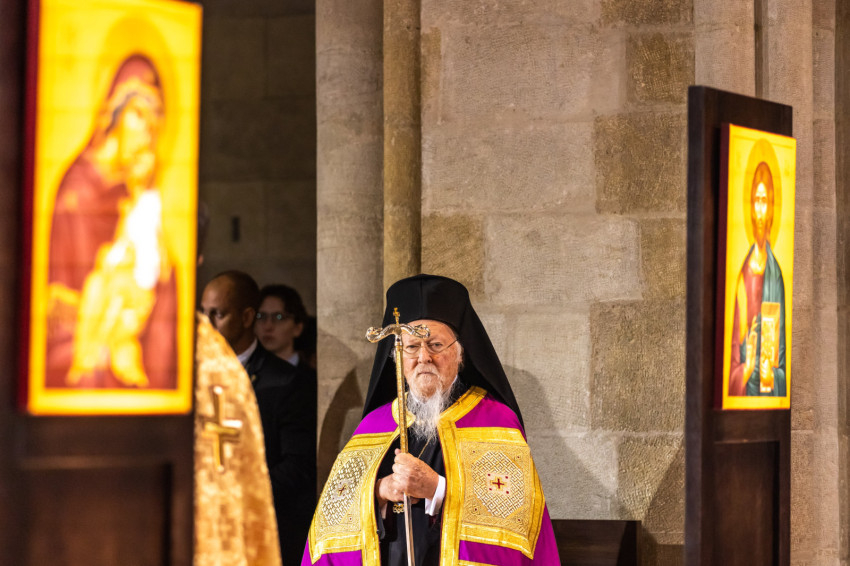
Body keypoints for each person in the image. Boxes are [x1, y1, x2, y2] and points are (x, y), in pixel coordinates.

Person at [304, 274, 560, 566]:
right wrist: (379, 491)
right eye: (411, 346)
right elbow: (331, 517)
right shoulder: (374, 424)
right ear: (397, 357)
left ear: (460, 353)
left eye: (436, 344)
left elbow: (514, 517)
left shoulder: (495, 419)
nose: (424, 357)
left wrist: (437, 488)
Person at [45, 53, 178, 389]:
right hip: (78, 340)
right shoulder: (76, 192)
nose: (147, 131)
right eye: (139, 114)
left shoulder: (134, 191)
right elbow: (62, 297)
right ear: (114, 115)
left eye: (155, 121)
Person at [201, 270, 317, 566]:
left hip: (261, 528)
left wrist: (237, 495)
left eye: (218, 314)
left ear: (246, 317)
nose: (207, 325)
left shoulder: (286, 381)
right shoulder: (191, 376)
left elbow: (298, 465)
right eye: (204, 314)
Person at [728, 162, 787, 397]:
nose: (760, 210)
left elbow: (781, 359)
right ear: (750, 207)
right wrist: (746, 367)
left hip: (767, 388)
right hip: (746, 387)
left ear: (771, 208)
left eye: (765, 201)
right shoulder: (742, 276)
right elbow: (732, 355)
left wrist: (772, 376)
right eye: (756, 201)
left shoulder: (777, 275)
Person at [255, 284, 310, 370]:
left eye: (279, 317)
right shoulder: (243, 372)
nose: (267, 326)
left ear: (297, 328)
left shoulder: (313, 377)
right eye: (260, 316)